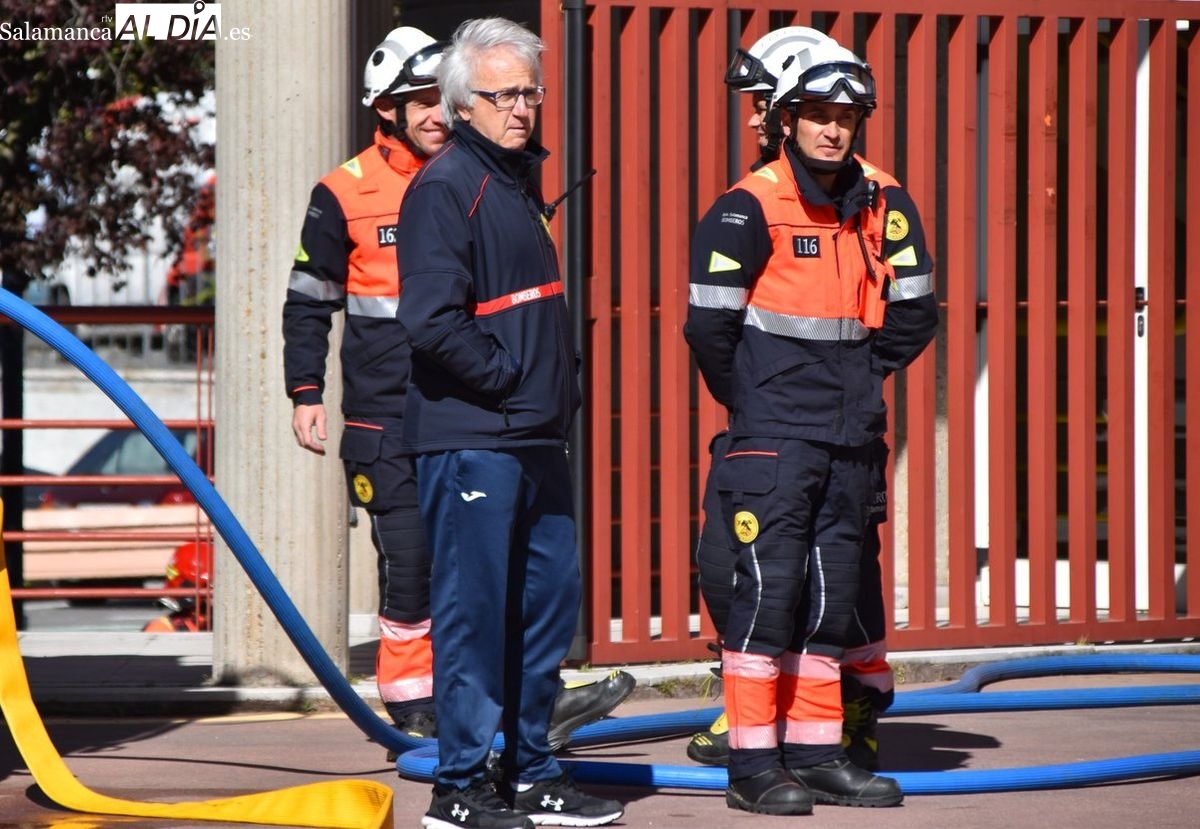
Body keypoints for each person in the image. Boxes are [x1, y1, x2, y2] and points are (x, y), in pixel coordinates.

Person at [283, 26, 631, 749]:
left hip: (463, 402)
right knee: (408, 558)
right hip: (387, 406)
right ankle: (416, 708)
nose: (434, 114)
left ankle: (501, 704)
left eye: (438, 100)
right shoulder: (345, 191)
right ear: (388, 108)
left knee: (485, 568)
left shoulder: (481, 178)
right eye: (418, 102)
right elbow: (309, 297)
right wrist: (306, 388)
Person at [684, 36, 937, 815]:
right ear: (787, 120)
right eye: (818, 116)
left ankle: (819, 753)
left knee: (830, 600)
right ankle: (753, 767)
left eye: (846, 117)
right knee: (768, 596)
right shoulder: (745, 206)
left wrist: (856, 379)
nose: (833, 130)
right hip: (774, 439)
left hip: (852, 436)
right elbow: (709, 332)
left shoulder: (884, 199)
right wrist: (763, 399)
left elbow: (916, 312)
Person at [396, 18, 623, 829]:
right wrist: (508, 380)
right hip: (472, 441)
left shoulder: (516, 187)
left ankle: (531, 772)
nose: (523, 107)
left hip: (533, 437)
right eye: (504, 94)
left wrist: (546, 392)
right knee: (475, 614)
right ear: (463, 104)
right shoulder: (446, 187)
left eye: (530, 91)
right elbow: (428, 318)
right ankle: (458, 787)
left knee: (545, 610)